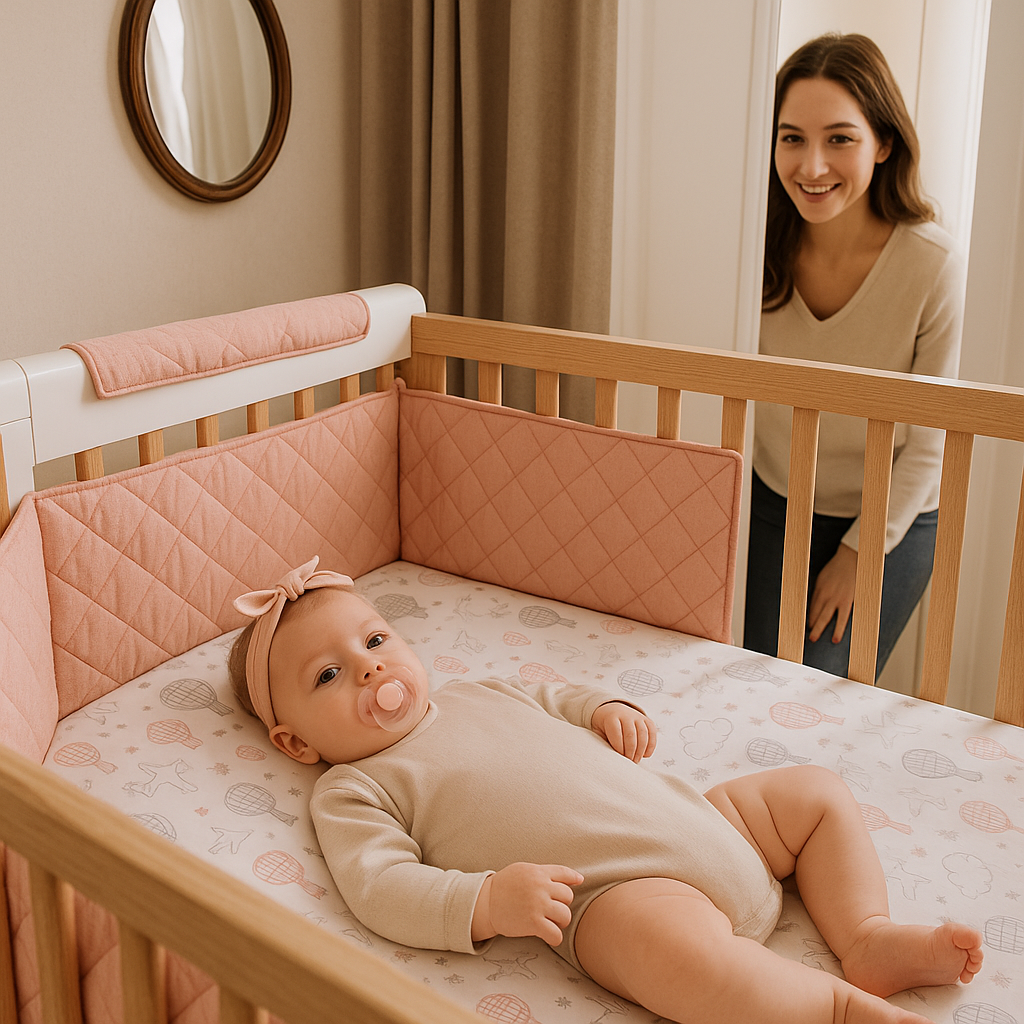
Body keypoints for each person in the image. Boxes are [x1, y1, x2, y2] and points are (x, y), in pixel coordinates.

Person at [228, 558, 983, 1024]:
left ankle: (866, 937)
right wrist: (487, 902)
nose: (367, 667)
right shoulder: (354, 787)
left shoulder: (478, 693)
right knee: (684, 966)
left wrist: (606, 710)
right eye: (327, 675)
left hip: (707, 819)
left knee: (813, 793)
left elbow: (560, 701)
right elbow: (382, 886)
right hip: (618, 894)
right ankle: (835, 1009)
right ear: (296, 743)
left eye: (376, 639)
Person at [744, 33, 966, 679]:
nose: (811, 166)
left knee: (817, 692)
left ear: (884, 143)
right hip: (776, 499)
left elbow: (928, 440)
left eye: (839, 138)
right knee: (754, 682)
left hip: (891, 513)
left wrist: (857, 553)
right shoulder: (750, 248)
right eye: (791, 138)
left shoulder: (933, 265)